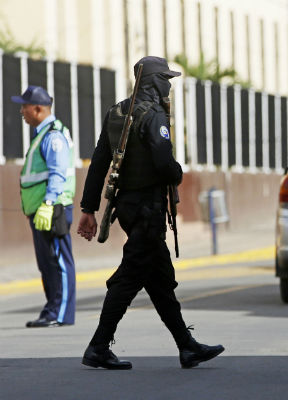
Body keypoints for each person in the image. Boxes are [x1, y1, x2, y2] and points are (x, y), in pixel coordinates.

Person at [76, 56, 224, 370]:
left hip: (127, 209)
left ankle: (187, 346)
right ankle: (98, 346)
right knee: (129, 278)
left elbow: (99, 162)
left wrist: (89, 208)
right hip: (147, 210)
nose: (168, 86)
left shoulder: (117, 112)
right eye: (165, 80)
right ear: (154, 82)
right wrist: (177, 173)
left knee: (158, 279)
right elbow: (162, 162)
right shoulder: (153, 114)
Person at [12, 85, 76, 328]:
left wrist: (49, 203)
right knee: (47, 262)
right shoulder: (43, 133)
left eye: (24, 107)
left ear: (37, 108)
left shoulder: (53, 136)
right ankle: (52, 310)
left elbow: (58, 173)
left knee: (59, 261)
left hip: (53, 208)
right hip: (41, 210)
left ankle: (60, 313)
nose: (21, 111)